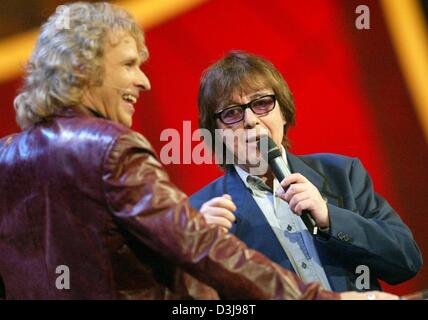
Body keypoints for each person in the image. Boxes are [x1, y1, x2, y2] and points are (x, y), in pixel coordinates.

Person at [0, 1, 390, 300]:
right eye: (130, 64)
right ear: (85, 70)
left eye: (261, 105)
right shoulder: (111, 148)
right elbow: (202, 248)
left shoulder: (6, 156)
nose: (144, 81)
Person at [190, 50, 423, 293]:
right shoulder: (199, 214)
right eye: (231, 113)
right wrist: (197, 252)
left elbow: (406, 261)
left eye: (261, 104)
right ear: (216, 133)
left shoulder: (342, 173)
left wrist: (330, 218)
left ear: (283, 113)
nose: (249, 120)